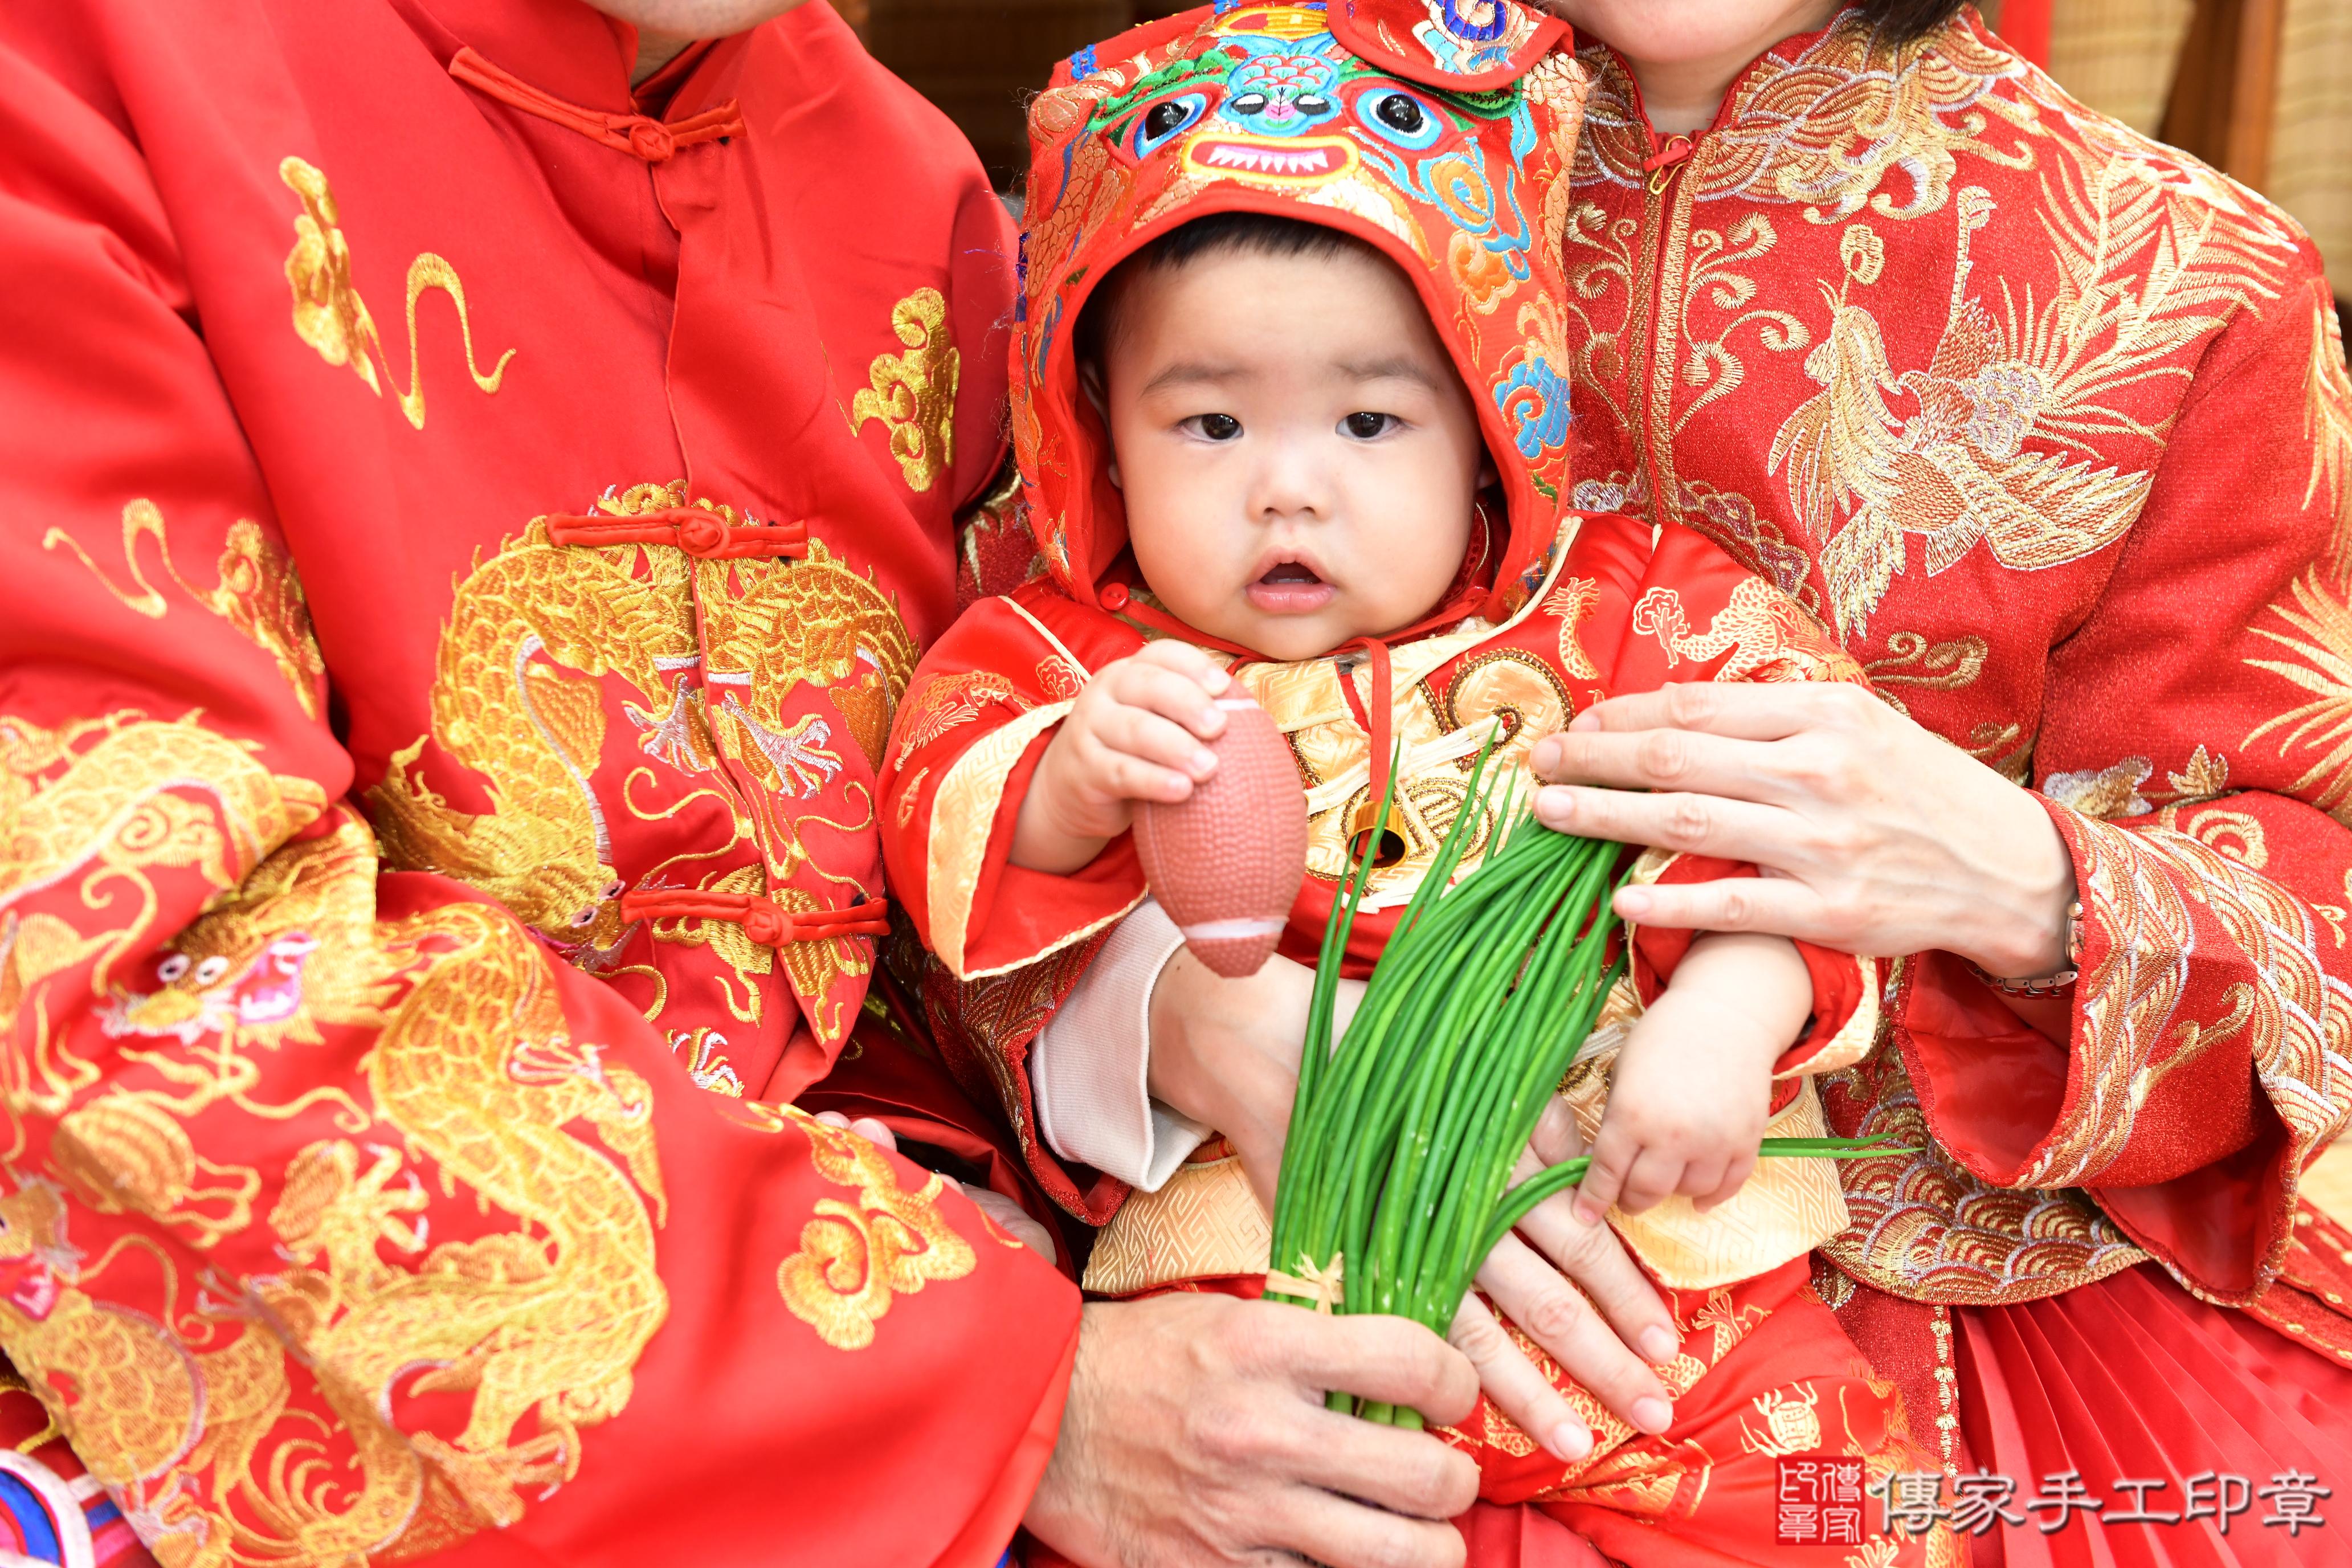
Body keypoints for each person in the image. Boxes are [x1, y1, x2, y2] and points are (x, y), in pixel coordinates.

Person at [0, 3, 1496, 1565]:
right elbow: (126, 956)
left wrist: (1157, 1005)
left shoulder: (914, 197)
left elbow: (941, 826)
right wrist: (988, 1396)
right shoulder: (83, 73)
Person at [883, 8, 1958, 1562]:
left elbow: (1794, 834)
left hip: (1658, 1259)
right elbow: (944, 822)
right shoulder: (1066, 654)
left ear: (1492, 436)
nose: (1288, 481)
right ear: (1099, 440)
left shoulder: (1633, 611)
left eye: (1371, 420)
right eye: (1207, 422)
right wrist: (1069, 779)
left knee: (1846, 1507)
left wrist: (1727, 1018)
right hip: (1272, 1264)